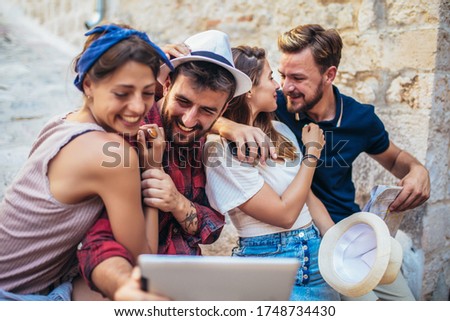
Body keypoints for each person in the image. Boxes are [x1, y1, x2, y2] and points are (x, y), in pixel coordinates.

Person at [213, 24, 430, 301]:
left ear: (329, 75)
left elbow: (397, 158)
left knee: (405, 304)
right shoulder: (276, 106)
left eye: (299, 78)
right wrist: (227, 126)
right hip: (310, 244)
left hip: (349, 230)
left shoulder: (358, 118)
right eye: (281, 75)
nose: (286, 87)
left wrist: (418, 170)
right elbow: (209, 111)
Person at [76, 30, 253, 300]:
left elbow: (212, 230)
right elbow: (96, 242)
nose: (190, 120)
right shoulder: (126, 132)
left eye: (207, 111)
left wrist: (178, 203)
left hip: (187, 284)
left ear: (225, 107)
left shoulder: (202, 142)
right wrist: (128, 289)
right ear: (167, 85)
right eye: (183, 102)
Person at [0, 24, 173, 300]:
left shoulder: (60, 122)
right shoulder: (112, 155)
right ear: (89, 84)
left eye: (148, 92)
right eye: (122, 93)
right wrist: (153, 167)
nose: (139, 107)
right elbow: (144, 257)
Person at [204, 45, 340, 301]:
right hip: (270, 259)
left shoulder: (280, 130)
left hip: (315, 252)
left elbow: (306, 198)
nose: (278, 85)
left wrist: (337, 244)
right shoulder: (219, 149)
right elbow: (285, 215)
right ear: (248, 91)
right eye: (270, 77)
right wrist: (312, 153)